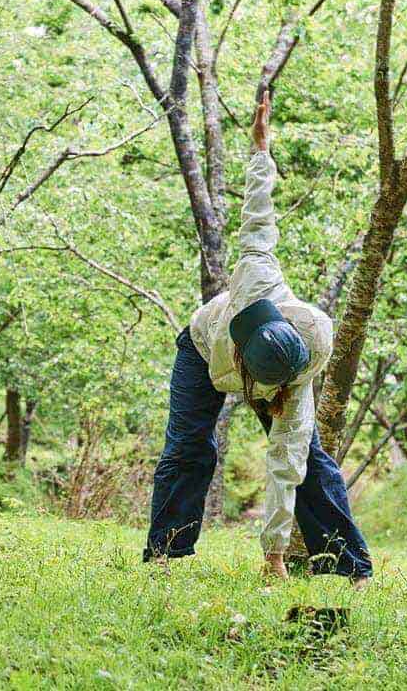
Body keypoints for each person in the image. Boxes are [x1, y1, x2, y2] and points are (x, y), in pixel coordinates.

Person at [143, 94, 372, 584]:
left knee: (305, 459)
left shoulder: (300, 375)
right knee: (188, 447)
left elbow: (282, 466)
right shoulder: (258, 283)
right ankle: (163, 553)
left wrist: (273, 555)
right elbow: (258, 217)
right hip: (201, 348)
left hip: (275, 383)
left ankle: (352, 567)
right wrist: (261, 149)